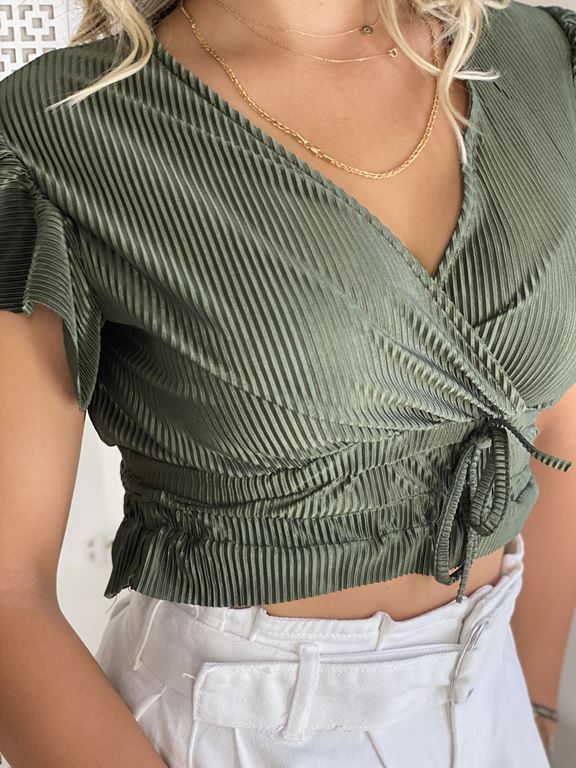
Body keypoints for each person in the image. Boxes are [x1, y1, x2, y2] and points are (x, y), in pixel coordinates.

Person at [0, 0, 575, 765]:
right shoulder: (61, 132)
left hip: (494, 697)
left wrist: (533, 708)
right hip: (240, 729)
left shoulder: (543, 61)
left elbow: (555, 426)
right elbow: (7, 592)